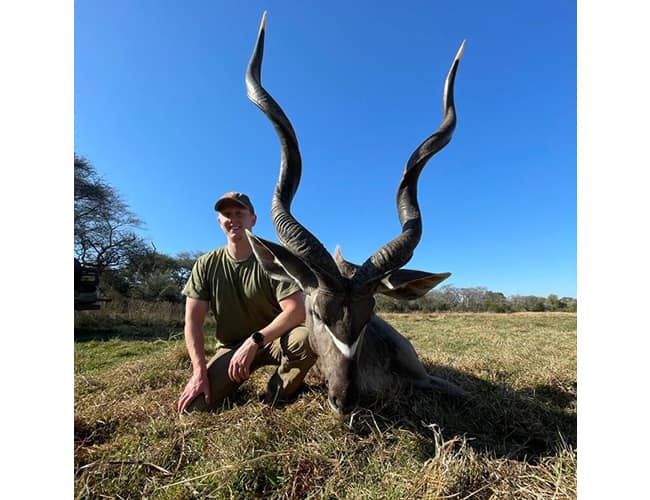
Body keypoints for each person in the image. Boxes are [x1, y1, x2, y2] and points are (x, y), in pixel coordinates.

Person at [177, 191, 316, 414]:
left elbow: (296, 310)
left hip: (271, 340)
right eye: (227, 214)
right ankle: (226, 384)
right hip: (230, 348)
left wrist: (254, 341)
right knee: (193, 409)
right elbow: (193, 322)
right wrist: (198, 373)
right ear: (219, 221)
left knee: (306, 338)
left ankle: (277, 393)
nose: (233, 219)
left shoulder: (272, 258)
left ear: (253, 219)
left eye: (239, 213)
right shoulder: (205, 264)